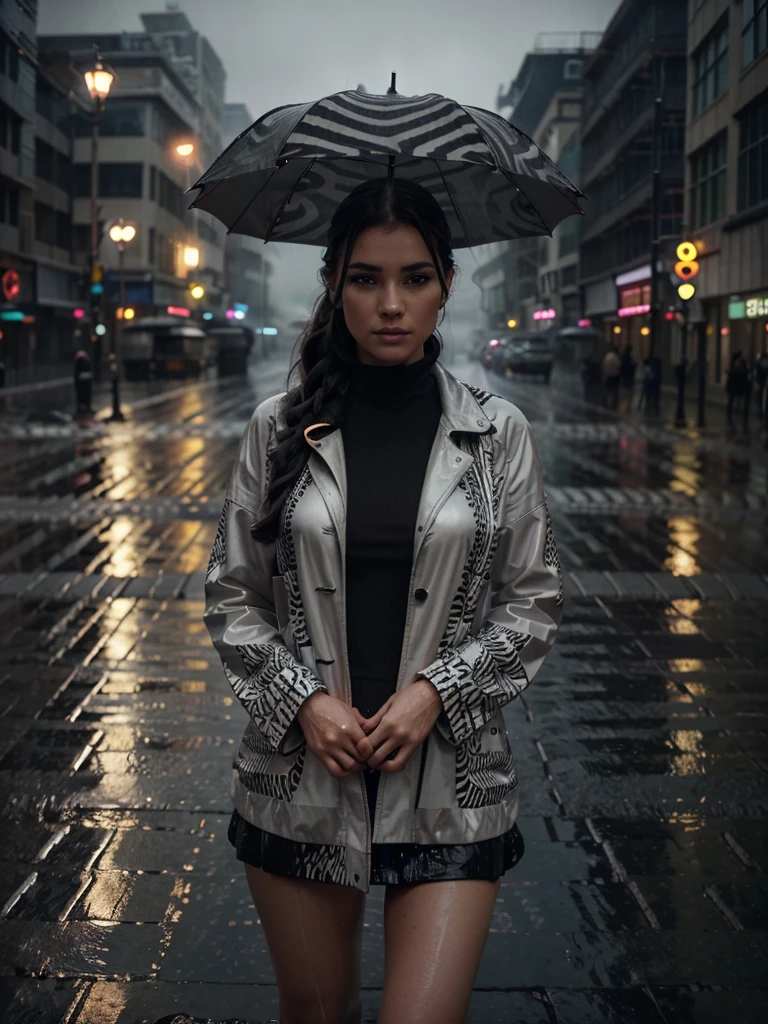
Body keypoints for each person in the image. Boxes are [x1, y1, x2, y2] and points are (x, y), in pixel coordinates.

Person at [203, 177, 563, 1024]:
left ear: (445, 285)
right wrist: (305, 704)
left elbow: (532, 602)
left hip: (451, 785)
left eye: (416, 277)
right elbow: (230, 598)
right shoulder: (277, 427)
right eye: (366, 278)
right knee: (316, 1014)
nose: (391, 304)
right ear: (334, 285)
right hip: (299, 776)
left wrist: (439, 691)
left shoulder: (496, 432)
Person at [726, 351, 749, 427]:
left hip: (737, 386)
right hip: (735, 386)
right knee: (732, 401)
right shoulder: (738, 364)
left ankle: (735, 414)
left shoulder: (741, 364)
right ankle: (731, 416)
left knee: (734, 401)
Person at [73, 349, 93, 414]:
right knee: (83, 396)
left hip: (84, 384)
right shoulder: (82, 364)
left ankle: (84, 407)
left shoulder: (83, 364)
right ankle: (84, 407)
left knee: (82, 396)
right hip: (83, 384)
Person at [602, 343, 621, 409]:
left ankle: (606, 404)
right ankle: (612, 405)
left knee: (607, 391)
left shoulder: (607, 356)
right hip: (614, 376)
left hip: (607, 375)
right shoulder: (616, 357)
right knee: (614, 391)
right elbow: (618, 366)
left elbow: (604, 365)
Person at [619, 344, 636, 412]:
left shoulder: (624, 357)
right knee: (628, 392)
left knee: (626, 392)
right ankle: (627, 405)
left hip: (625, 376)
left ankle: (626, 405)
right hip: (629, 376)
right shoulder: (629, 358)